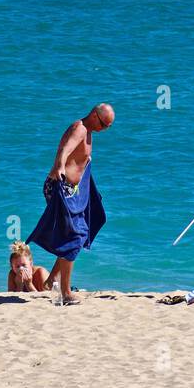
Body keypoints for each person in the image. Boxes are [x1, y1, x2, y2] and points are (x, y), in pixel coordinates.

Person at [28, 103, 114, 305]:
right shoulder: (80, 128)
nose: (104, 129)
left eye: (108, 127)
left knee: (79, 235)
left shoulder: (90, 130)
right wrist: (59, 165)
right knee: (74, 236)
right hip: (60, 186)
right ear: (94, 115)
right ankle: (65, 292)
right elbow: (65, 148)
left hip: (73, 190)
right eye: (104, 124)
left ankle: (51, 282)